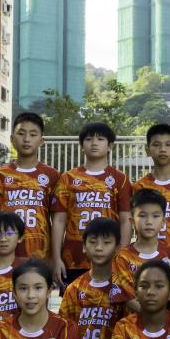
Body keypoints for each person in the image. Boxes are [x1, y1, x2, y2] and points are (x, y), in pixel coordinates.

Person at [50, 122, 132, 287]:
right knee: (73, 301)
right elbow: (58, 221)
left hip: (109, 257)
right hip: (73, 259)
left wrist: (122, 255)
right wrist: (56, 258)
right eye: (88, 139)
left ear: (110, 146)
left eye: (100, 139)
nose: (94, 143)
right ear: (82, 146)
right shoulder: (68, 178)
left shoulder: (120, 179)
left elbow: (126, 220)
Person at [59, 217, 131, 339]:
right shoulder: (74, 288)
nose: (99, 248)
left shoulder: (124, 287)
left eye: (106, 243)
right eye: (93, 242)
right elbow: (64, 329)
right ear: (84, 247)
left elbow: (131, 326)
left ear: (117, 248)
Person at [0, 111, 59, 262]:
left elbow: (57, 220)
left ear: (41, 140)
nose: (26, 139)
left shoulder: (52, 175)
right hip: (5, 255)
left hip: (41, 255)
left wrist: (55, 257)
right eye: (21, 133)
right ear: (12, 139)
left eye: (33, 134)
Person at [113, 187, 170, 314]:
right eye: (142, 215)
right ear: (132, 221)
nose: (149, 221)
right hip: (133, 324)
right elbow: (128, 297)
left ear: (163, 222)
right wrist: (156, 318)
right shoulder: (122, 257)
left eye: (155, 216)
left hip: (168, 323)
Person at [132, 122, 170, 264]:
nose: (162, 149)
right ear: (147, 150)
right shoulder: (139, 186)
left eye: (168, 144)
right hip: (147, 258)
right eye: (156, 145)